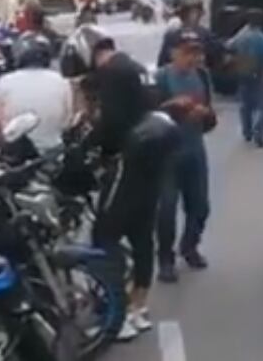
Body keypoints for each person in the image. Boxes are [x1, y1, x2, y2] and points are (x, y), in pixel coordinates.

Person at [63, 25, 179, 341]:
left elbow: (112, 123)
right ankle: (137, 307)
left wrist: (83, 146)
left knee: (107, 232)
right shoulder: (134, 67)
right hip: (154, 156)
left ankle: (116, 311)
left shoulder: (112, 72)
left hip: (131, 158)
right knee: (142, 232)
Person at [152, 31, 216, 283]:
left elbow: (211, 118)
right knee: (166, 208)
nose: (192, 58)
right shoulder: (161, 78)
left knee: (200, 205)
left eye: (196, 52)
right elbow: (150, 114)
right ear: (173, 53)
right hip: (167, 152)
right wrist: (172, 105)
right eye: (186, 52)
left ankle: (189, 246)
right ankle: (165, 259)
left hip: (194, 148)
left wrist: (205, 114)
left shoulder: (202, 76)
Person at [0, 32, 77, 151]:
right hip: (54, 153)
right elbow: (68, 122)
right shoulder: (61, 81)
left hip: (15, 156)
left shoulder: (4, 81)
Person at [227, 8, 263, 147]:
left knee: (245, 104)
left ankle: (247, 132)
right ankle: (259, 133)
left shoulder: (241, 37)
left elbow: (229, 46)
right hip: (261, 71)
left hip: (244, 69)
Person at [157, 0, 220, 70]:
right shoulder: (172, 35)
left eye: (195, 12)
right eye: (190, 12)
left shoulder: (205, 34)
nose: (192, 15)